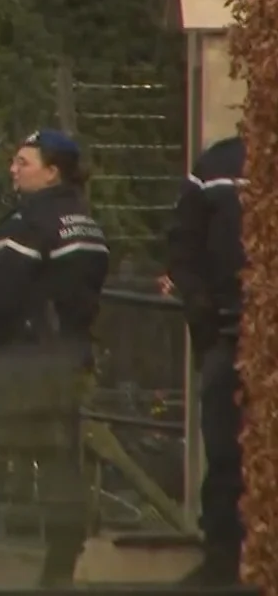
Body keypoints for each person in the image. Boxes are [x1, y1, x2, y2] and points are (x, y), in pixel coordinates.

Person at [0, 129, 109, 589]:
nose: (14, 168)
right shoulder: (86, 223)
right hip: (67, 358)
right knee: (59, 466)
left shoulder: (29, 224)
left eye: (24, 162)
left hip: (20, 362)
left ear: (53, 172)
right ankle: (58, 573)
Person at [165, 134, 245, 587]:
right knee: (224, 448)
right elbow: (183, 242)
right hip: (228, 330)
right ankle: (222, 560)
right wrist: (199, 301)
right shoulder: (217, 163)